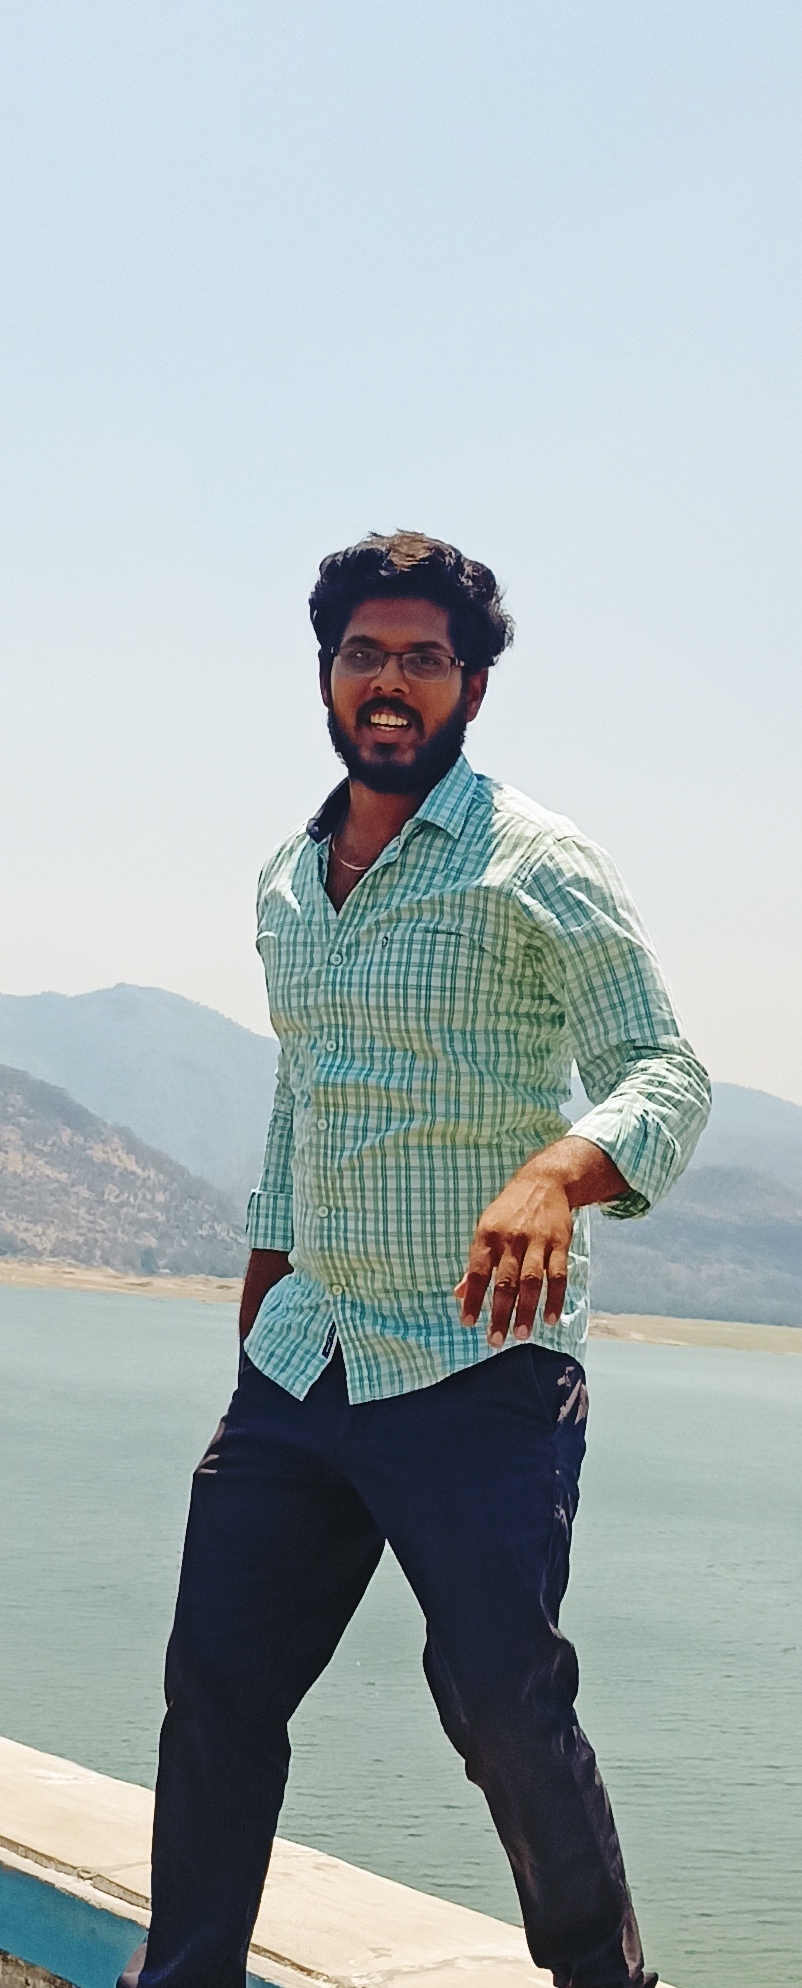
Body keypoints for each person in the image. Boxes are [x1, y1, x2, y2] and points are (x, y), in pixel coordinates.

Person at [119, 531, 711, 1988]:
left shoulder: (536, 864)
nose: (391, 682)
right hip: (302, 1360)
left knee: (498, 1701)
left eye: (424, 660)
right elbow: (300, 1097)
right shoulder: (288, 879)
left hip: (477, 1361)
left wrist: (557, 1173)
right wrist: (261, 1299)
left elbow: (664, 1071)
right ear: (327, 676)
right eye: (365, 655)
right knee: (215, 1692)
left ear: (471, 688)